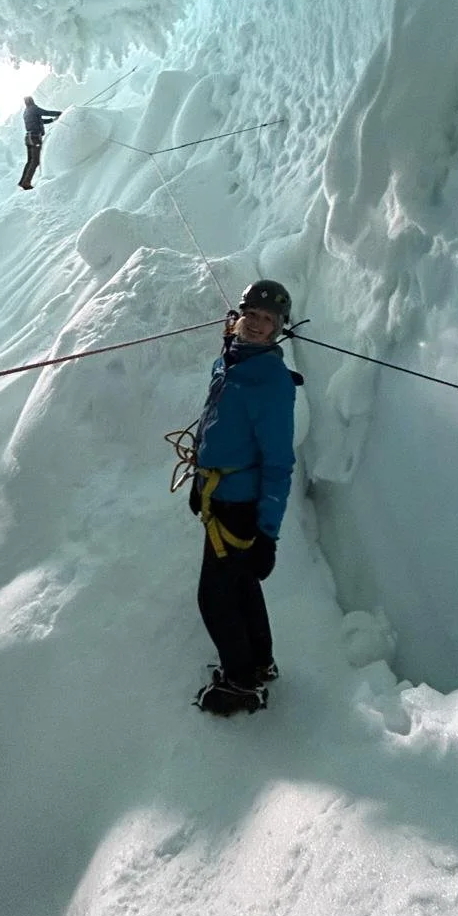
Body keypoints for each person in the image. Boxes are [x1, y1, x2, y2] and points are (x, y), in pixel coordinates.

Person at [189, 279, 298, 716]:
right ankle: (259, 663)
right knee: (241, 586)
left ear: (277, 330)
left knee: (215, 598)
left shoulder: (270, 381)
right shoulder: (233, 360)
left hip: (239, 507)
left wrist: (267, 533)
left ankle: (240, 683)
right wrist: (200, 485)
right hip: (220, 495)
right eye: (251, 314)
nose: (256, 324)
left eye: (266, 320)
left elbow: (279, 463)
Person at [18, 96, 62, 189]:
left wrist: (52, 120)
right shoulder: (33, 108)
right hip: (35, 137)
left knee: (30, 161)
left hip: (28, 137)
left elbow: (40, 121)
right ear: (31, 101)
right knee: (35, 161)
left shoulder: (26, 112)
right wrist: (60, 113)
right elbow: (46, 112)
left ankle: (22, 181)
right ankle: (26, 182)